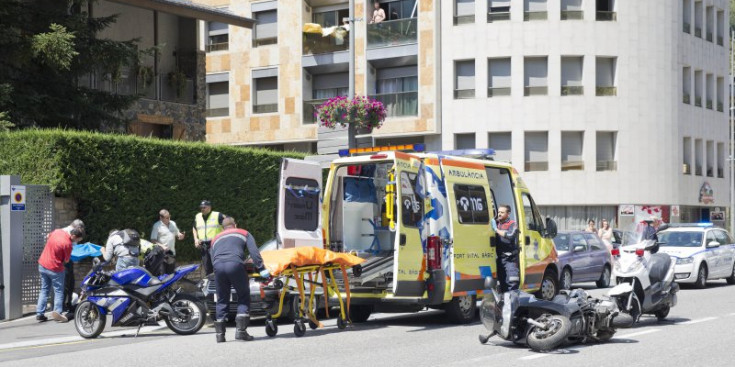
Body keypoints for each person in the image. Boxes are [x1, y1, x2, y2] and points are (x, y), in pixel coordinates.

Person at [210, 217, 269, 343]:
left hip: (218, 267)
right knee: (243, 296)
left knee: (221, 298)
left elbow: (212, 257)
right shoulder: (243, 233)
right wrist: (261, 269)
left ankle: (220, 335)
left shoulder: (215, 238)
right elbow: (254, 253)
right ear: (235, 225)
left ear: (223, 228)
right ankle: (241, 332)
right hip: (235, 264)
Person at [37, 227, 84, 322]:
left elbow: (48, 236)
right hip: (55, 268)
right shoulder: (68, 244)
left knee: (44, 289)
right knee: (59, 291)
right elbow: (66, 260)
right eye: (78, 239)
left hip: (42, 264)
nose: (77, 241)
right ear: (74, 236)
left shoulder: (58, 231)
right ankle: (57, 313)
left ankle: (39, 313)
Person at [192, 200, 225, 275]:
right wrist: (196, 239)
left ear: (209, 207)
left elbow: (229, 223)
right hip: (204, 246)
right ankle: (210, 285)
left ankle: (220, 285)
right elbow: (194, 228)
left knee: (218, 267)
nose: (202, 209)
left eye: (204, 207)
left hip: (216, 245)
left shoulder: (218, 215)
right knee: (207, 269)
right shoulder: (198, 216)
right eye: (201, 207)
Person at [492, 205, 519, 293]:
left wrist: (496, 230)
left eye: (502, 212)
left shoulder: (512, 224)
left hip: (510, 260)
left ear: (508, 213)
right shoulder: (496, 223)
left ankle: (511, 305)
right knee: (501, 285)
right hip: (499, 259)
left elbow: (511, 235)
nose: (499, 214)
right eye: (499, 212)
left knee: (511, 285)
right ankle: (504, 305)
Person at [60, 219, 85, 317]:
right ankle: (62, 306)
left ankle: (68, 304)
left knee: (71, 283)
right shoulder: (66, 232)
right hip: (64, 260)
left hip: (68, 259)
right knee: (66, 284)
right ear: (77, 227)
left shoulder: (71, 232)